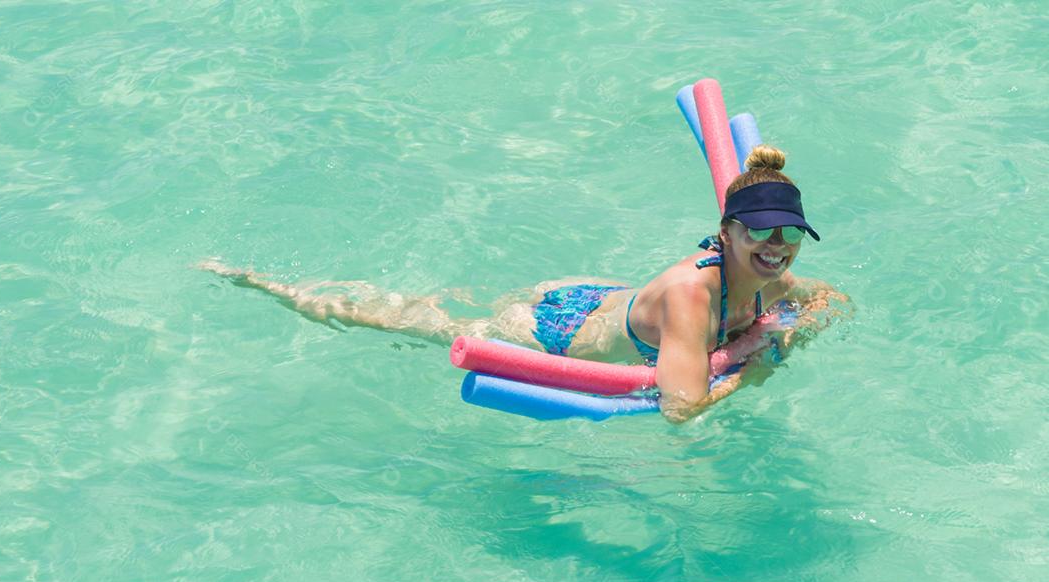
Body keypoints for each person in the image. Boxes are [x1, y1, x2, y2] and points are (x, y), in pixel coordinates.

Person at [201, 145, 846, 422]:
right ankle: (265, 284)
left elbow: (831, 301)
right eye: (762, 232)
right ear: (726, 231)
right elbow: (681, 410)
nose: (778, 246)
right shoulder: (690, 295)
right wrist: (757, 362)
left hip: (599, 298)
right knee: (398, 318)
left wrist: (785, 328)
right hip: (553, 332)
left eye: (790, 234)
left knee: (434, 304)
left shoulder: (774, 277)